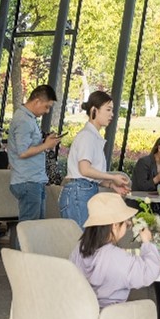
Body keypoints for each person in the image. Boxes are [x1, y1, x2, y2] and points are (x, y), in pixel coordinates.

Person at [59, 91, 130, 227]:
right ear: (94, 110)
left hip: (82, 191)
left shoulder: (92, 136)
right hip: (79, 193)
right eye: (108, 110)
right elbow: (85, 170)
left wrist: (111, 184)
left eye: (112, 110)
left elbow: (89, 174)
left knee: (84, 238)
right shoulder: (87, 136)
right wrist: (112, 177)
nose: (112, 114)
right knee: (81, 238)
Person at [7, 85, 61, 222]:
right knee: (29, 227)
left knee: (36, 227)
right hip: (28, 180)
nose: (47, 111)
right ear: (37, 101)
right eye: (46, 107)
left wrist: (45, 142)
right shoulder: (23, 120)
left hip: (33, 179)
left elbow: (28, 146)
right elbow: (23, 152)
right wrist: (46, 145)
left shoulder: (28, 119)